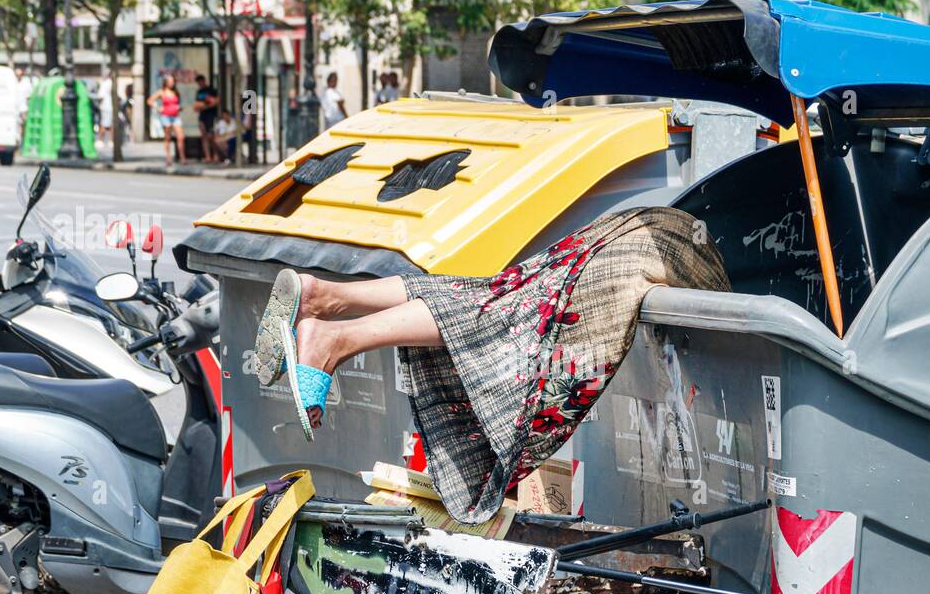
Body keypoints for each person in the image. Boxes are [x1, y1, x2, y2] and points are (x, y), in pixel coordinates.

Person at [253, 207, 730, 524]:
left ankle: (328, 298)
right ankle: (334, 339)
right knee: (511, 320)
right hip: (674, 244)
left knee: (507, 299)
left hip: (656, 227)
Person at [146, 75, 185, 167]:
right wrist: (158, 108)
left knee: (181, 137)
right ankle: (168, 157)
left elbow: (178, 103)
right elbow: (149, 101)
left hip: (175, 116)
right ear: (166, 82)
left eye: (173, 81)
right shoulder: (162, 92)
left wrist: (179, 108)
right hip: (166, 116)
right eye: (170, 81)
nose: (172, 83)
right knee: (167, 137)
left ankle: (182, 157)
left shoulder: (175, 92)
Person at [193, 73, 221, 163]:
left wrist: (205, 106)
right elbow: (196, 105)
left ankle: (216, 154)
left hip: (211, 115)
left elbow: (216, 101)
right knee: (204, 136)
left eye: (200, 82)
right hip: (202, 116)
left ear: (204, 81)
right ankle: (207, 156)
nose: (199, 84)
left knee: (211, 136)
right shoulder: (199, 92)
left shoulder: (211, 90)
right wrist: (202, 106)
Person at [97, 75, 114, 148]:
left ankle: (110, 140)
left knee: (108, 124)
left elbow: (100, 96)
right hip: (108, 106)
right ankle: (101, 140)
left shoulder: (105, 83)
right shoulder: (110, 83)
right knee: (105, 124)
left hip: (105, 106)